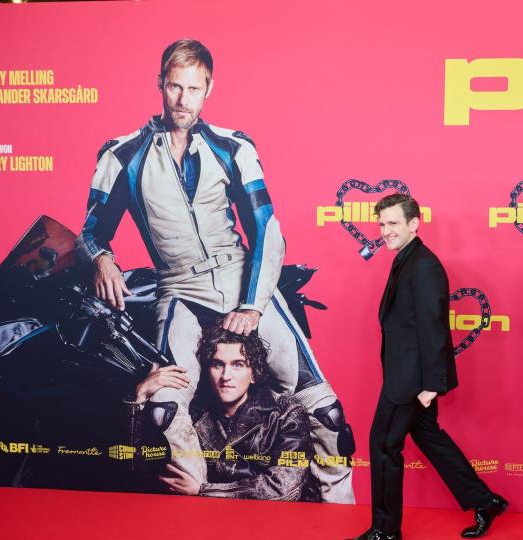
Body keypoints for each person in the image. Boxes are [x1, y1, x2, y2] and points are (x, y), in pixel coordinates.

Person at [75, 38, 353, 502]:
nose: (183, 99)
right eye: (174, 87)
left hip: (238, 275)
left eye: (193, 88)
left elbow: (267, 229)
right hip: (178, 287)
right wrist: (102, 257)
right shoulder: (121, 156)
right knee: (165, 406)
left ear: (209, 90)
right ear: (160, 85)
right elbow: (90, 231)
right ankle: (197, 509)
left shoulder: (233, 147)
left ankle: (339, 517)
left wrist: (253, 305)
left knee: (327, 416)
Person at [350, 194, 507, 540]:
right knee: (429, 437)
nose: (385, 231)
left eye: (393, 224)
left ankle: (385, 531)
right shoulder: (406, 259)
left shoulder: (424, 265)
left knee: (384, 444)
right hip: (405, 373)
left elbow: (433, 327)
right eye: (381, 224)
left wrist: (432, 384)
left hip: (411, 379)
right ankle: (485, 501)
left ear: (413, 224)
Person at [128, 322, 319, 500]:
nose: (226, 376)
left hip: (273, 523)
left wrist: (203, 490)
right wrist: (140, 398)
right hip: (209, 521)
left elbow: (284, 489)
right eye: (218, 364)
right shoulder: (191, 412)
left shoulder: (287, 413)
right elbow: (144, 470)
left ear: (254, 373)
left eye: (237, 364)